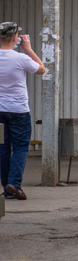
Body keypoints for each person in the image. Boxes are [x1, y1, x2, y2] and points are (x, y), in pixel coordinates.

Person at [0, 22, 45, 200]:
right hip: (19, 111)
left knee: (2, 149)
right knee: (20, 147)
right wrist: (28, 48)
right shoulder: (20, 58)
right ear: (14, 38)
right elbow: (41, 69)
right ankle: (14, 184)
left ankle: (7, 188)